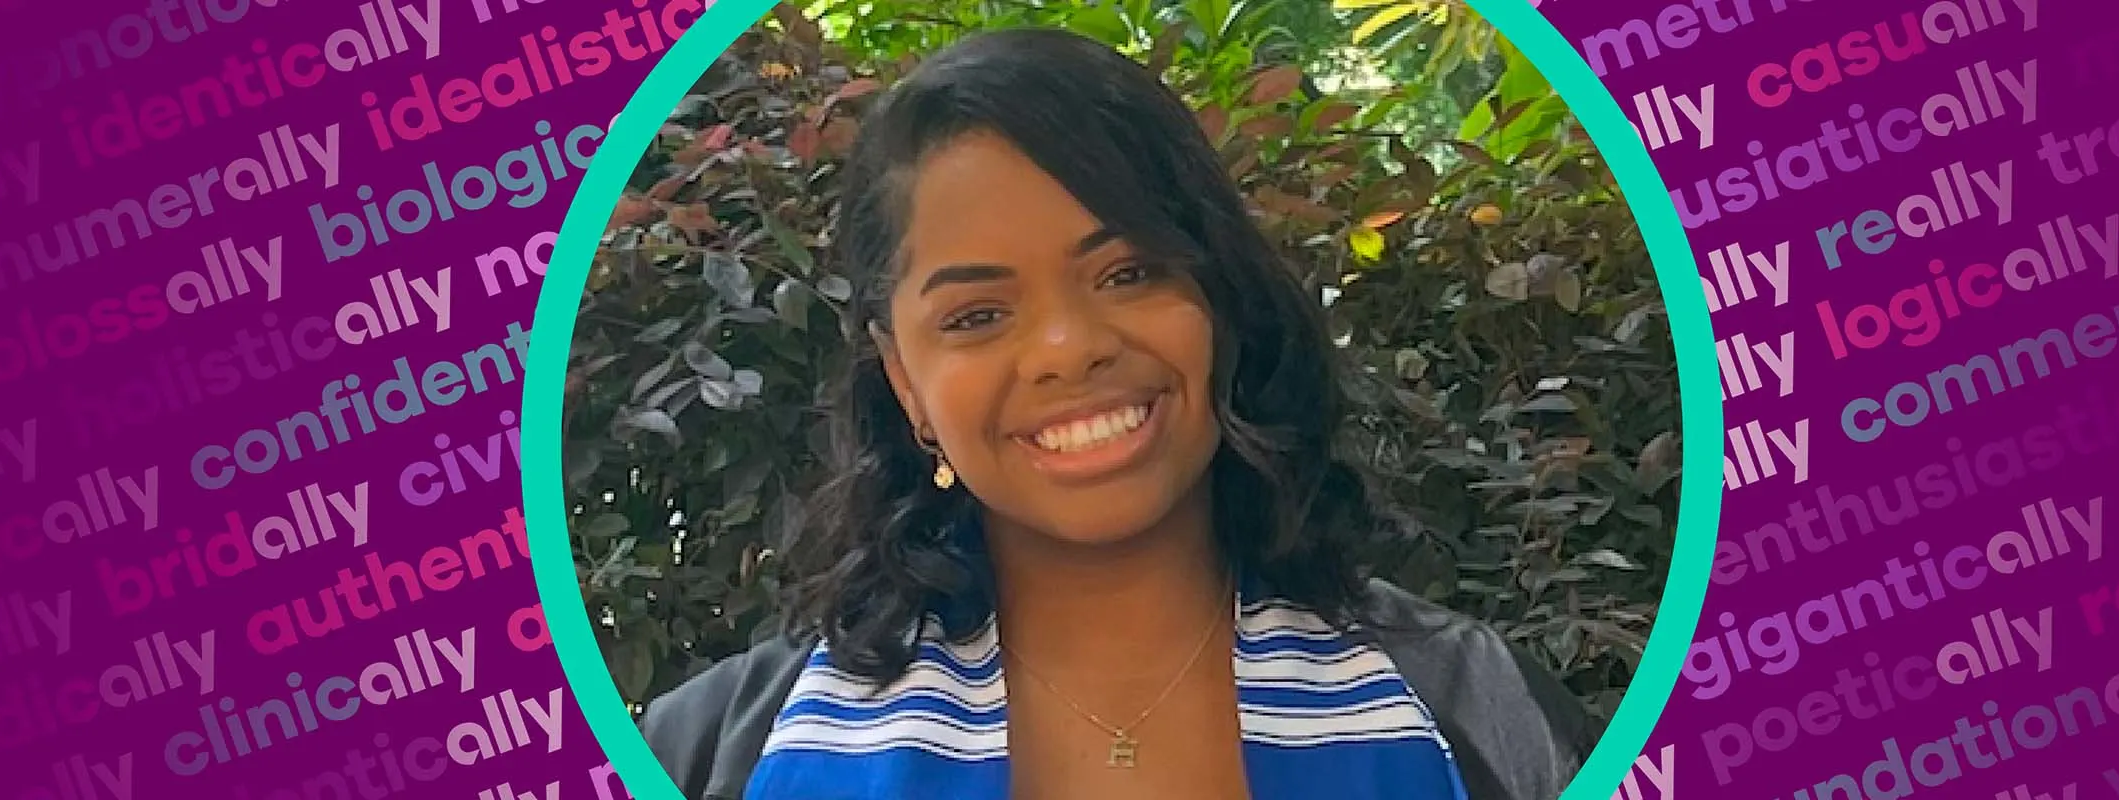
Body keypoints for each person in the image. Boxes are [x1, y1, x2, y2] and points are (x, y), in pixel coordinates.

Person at [638, 27, 1592, 800]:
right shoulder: (711, 753)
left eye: (1129, 272)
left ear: (1220, 303)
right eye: (977, 315)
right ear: (905, 383)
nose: (1069, 348)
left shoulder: (1482, 722)